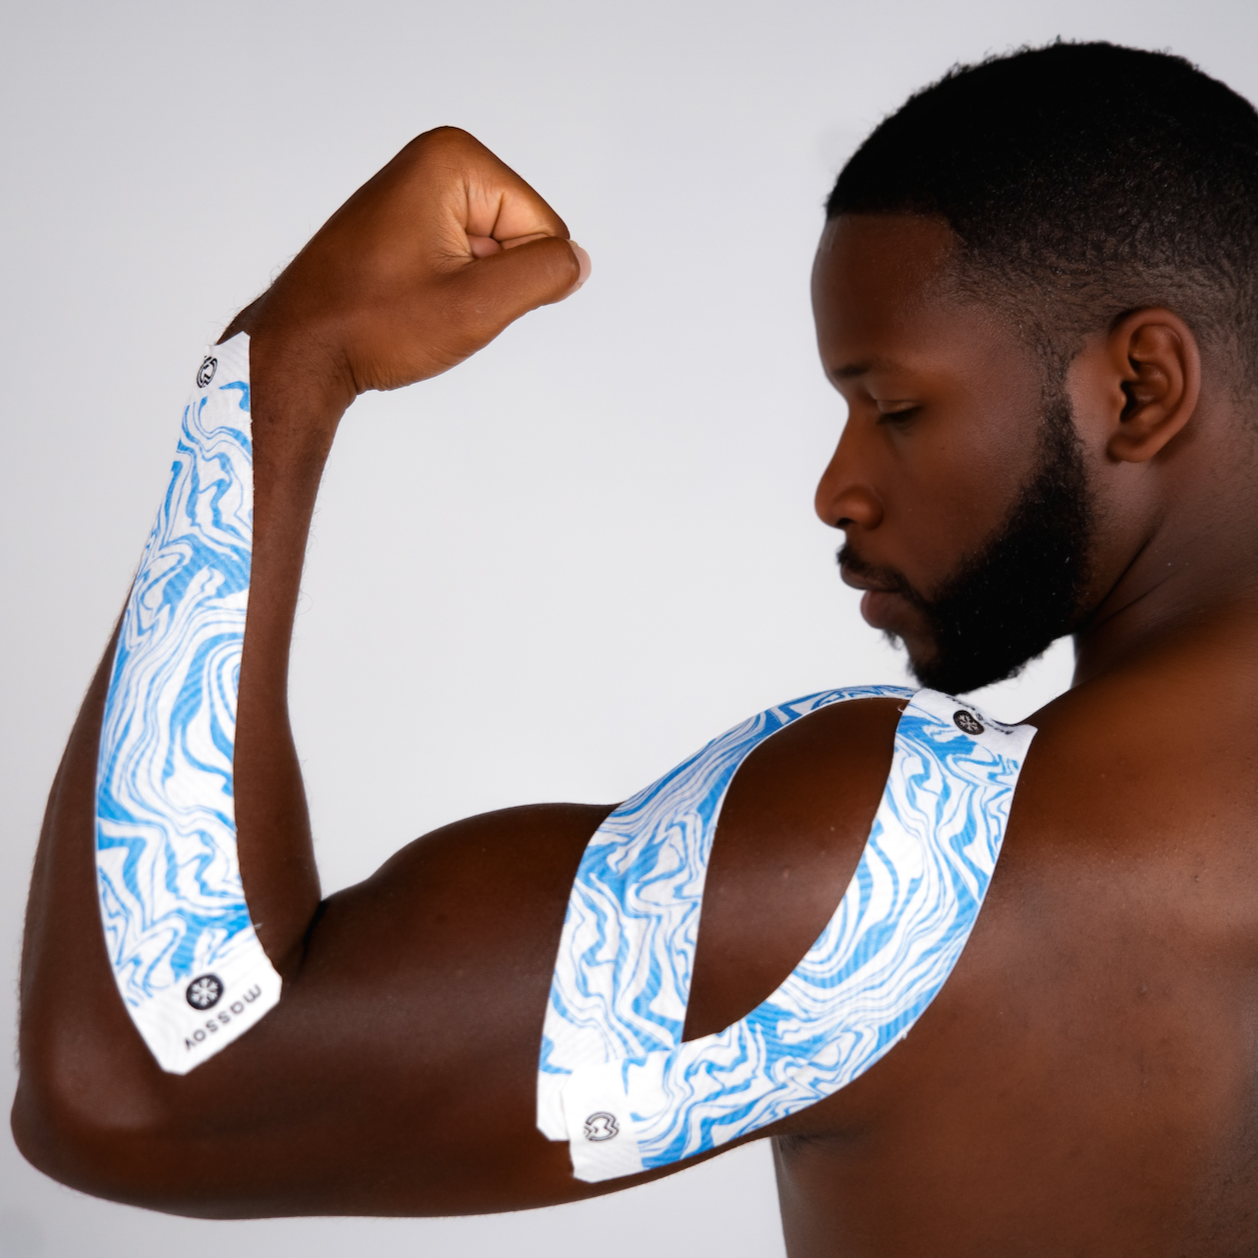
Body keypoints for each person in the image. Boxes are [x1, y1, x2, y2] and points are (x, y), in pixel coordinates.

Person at [13, 37, 1258, 1254]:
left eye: (892, 407)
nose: (836, 487)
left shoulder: (910, 873)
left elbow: (141, 1086)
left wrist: (285, 361)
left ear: (1139, 389)